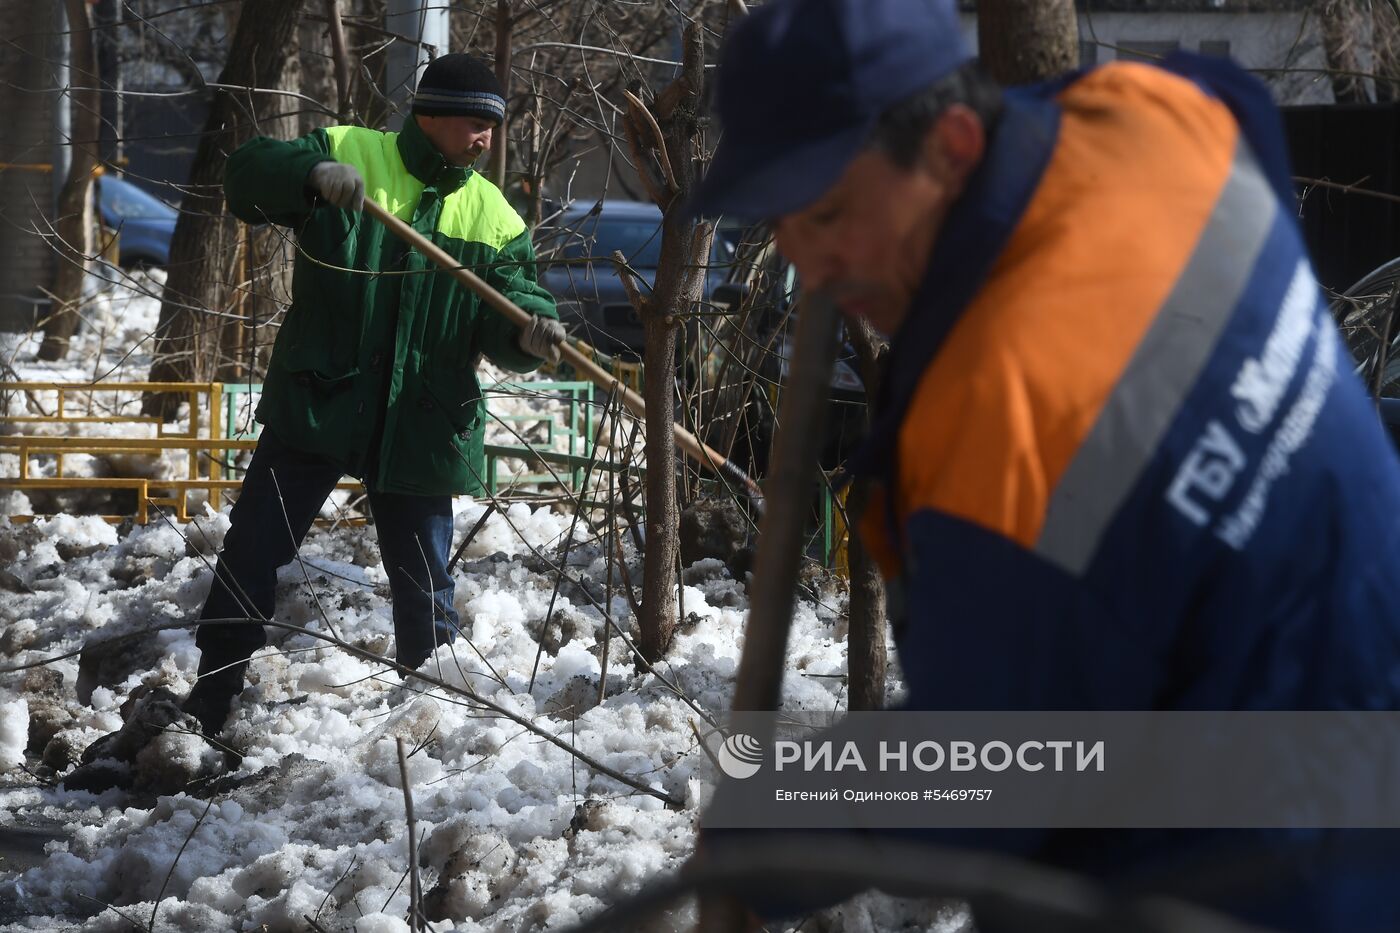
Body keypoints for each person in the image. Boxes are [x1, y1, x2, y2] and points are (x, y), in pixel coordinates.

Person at [691, 0, 1400, 930]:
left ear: (949, 143)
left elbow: (997, 769)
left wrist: (776, 816)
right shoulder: (1153, 117)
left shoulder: (1006, 423)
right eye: (780, 221)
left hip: (1253, 871)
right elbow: (1241, 111)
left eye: (829, 212)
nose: (807, 264)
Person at [183, 53, 564, 737]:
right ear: (432, 114)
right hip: (319, 402)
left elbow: (511, 306)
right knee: (252, 550)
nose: (486, 140)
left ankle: (431, 721)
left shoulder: (494, 218)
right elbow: (244, 178)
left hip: (421, 418)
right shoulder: (348, 151)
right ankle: (211, 696)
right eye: (476, 123)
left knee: (425, 585)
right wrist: (307, 176)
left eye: (492, 127)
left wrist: (529, 331)